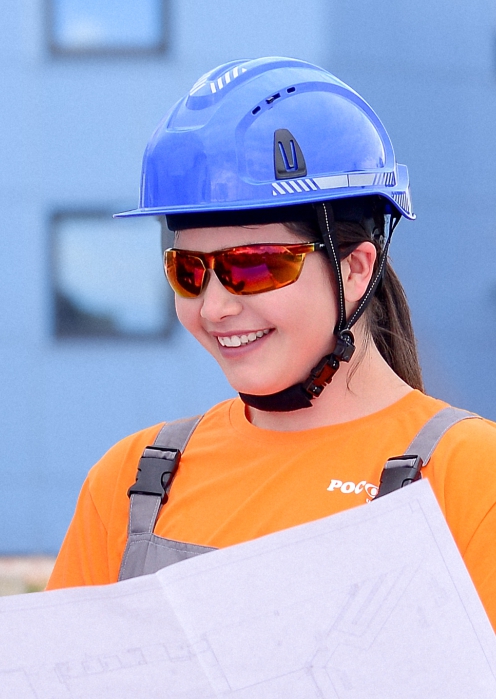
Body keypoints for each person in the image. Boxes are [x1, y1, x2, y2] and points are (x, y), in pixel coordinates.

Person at [47, 57, 496, 629]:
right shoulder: (132, 480)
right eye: (189, 271)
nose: (214, 307)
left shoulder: (469, 478)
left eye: (253, 266)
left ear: (356, 269)